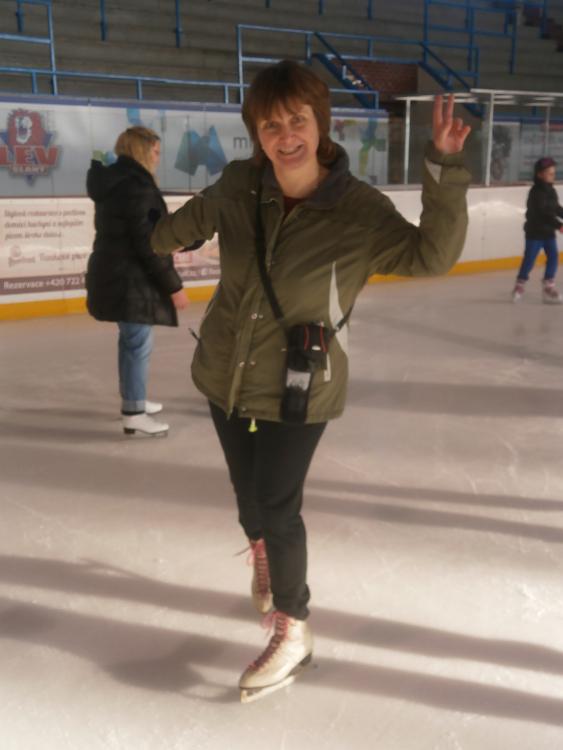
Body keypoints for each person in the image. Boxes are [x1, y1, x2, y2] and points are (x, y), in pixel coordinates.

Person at [151, 61, 471, 702]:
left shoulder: (358, 211)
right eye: (271, 125)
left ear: (320, 124)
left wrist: (443, 165)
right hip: (224, 372)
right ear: (257, 133)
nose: (285, 136)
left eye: (297, 120)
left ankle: (293, 627)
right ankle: (262, 553)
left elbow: (432, 255)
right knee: (248, 497)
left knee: (276, 503)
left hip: (299, 385)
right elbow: (167, 235)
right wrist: (182, 223)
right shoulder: (239, 186)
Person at [85, 126, 188, 436]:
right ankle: (134, 412)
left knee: (131, 341)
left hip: (115, 274)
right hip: (129, 279)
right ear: (142, 150)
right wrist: (174, 286)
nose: (158, 157)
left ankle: (134, 398)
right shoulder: (137, 187)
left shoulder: (114, 181)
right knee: (138, 343)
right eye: (155, 151)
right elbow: (149, 244)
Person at [512, 156, 563, 303]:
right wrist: (559, 225)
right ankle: (520, 284)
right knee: (530, 259)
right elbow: (543, 213)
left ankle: (548, 286)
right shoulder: (535, 193)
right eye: (549, 173)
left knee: (553, 257)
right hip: (535, 233)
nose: (553, 175)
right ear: (540, 174)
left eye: (553, 173)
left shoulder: (551, 191)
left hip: (548, 233)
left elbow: (555, 208)